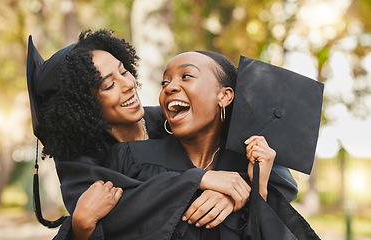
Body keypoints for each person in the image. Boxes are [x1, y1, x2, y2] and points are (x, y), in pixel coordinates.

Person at [53, 51, 305, 239]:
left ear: (225, 95)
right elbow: (114, 222)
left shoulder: (249, 161)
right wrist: (80, 228)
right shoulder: (130, 157)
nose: (170, 87)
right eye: (165, 82)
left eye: (187, 76)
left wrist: (252, 191)